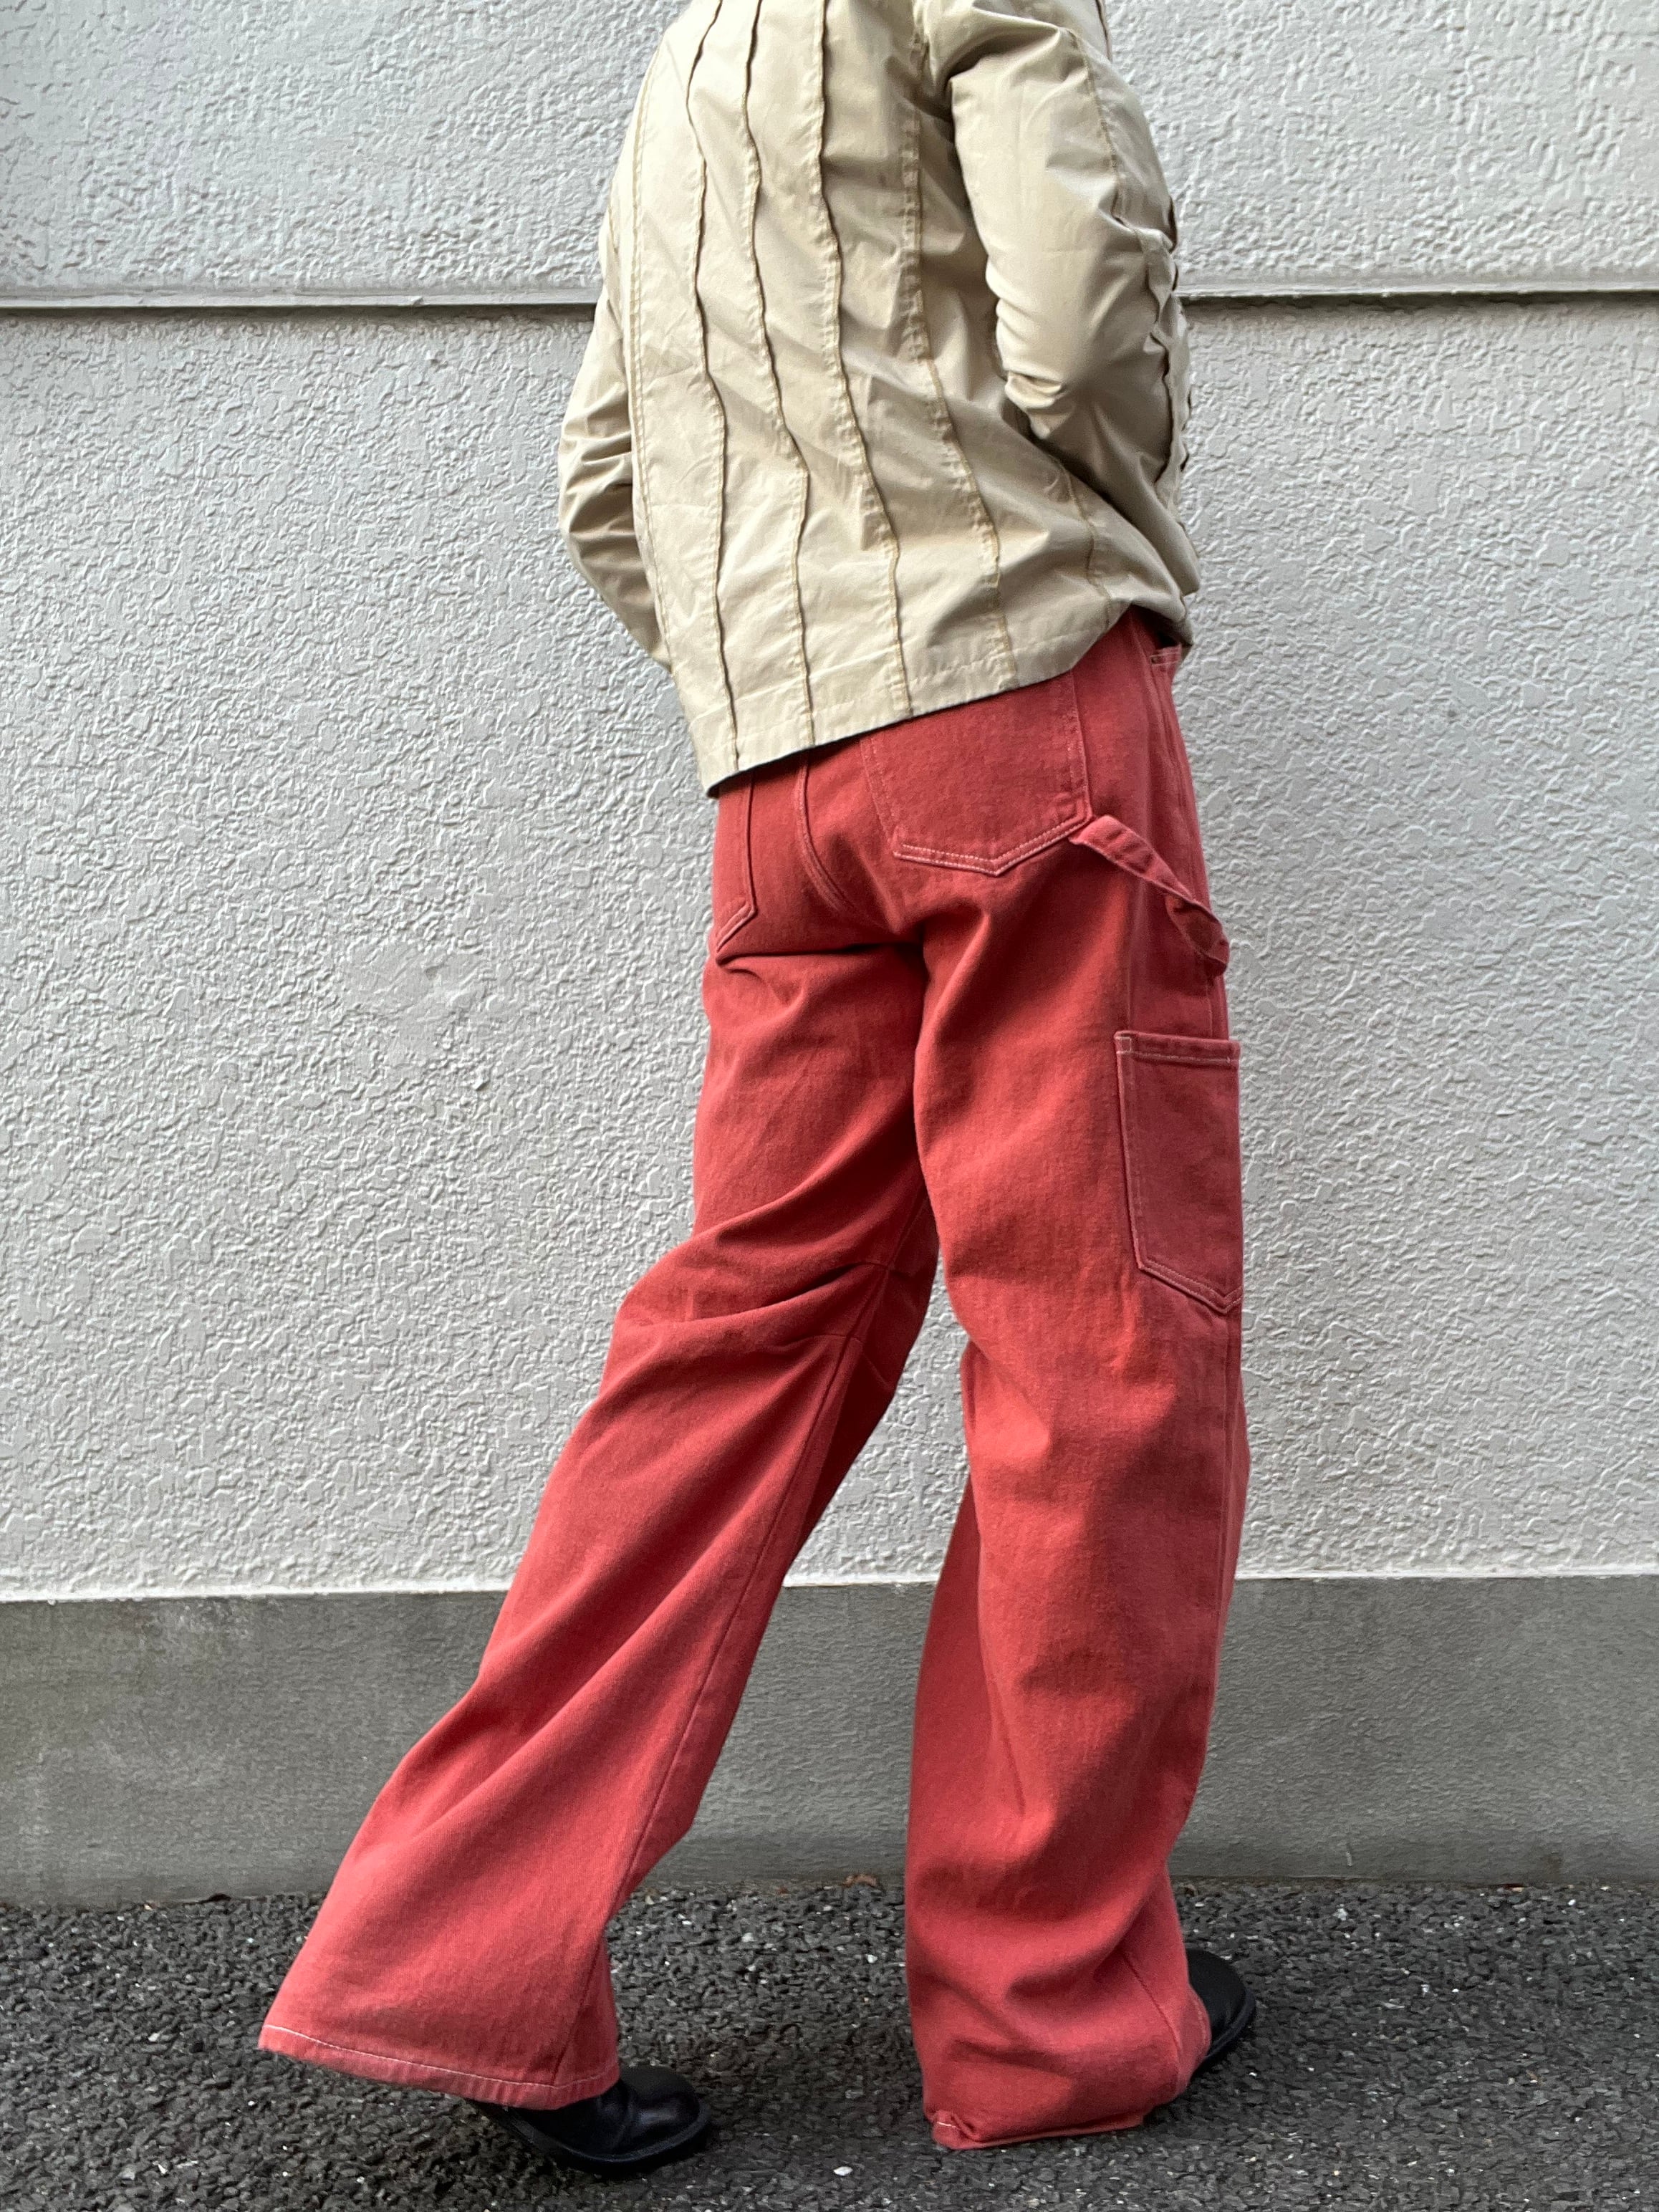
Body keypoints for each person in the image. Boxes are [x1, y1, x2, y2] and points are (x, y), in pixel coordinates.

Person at [259, 0, 1254, 2177]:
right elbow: (1079, 309)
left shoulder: (684, 63)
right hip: (1016, 715)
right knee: (1100, 1364)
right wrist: (1065, 536)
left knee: (736, 1346)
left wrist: (779, 663)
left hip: (780, 785)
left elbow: (606, 482)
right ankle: (1052, 2013)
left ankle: (453, 1963)